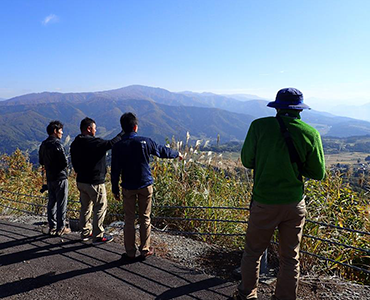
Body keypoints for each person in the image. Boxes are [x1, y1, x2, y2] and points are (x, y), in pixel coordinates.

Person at [234, 88, 325, 300]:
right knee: (290, 258)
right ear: (299, 109)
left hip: (264, 202)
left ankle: (247, 294)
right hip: (293, 204)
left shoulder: (259, 126)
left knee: (253, 252)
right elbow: (318, 173)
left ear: (277, 106)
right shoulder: (311, 133)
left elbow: (247, 161)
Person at [111, 112, 182, 260]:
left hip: (128, 187)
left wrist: (115, 189)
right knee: (145, 217)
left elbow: (115, 170)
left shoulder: (118, 146)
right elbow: (162, 151)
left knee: (129, 219)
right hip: (145, 184)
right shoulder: (145, 141)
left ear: (123, 128)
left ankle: (130, 252)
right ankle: (145, 249)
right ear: (135, 127)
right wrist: (177, 154)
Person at [70, 117, 124, 245]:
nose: (96, 130)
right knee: (100, 207)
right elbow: (111, 144)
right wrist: (123, 133)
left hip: (81, 181)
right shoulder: (92, 142)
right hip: (94, 182)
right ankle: (98, 236)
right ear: (89, 129)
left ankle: (85, 233)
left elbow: (73, 162)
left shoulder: (76, 142)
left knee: (85, 208)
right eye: (94, 128)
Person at [39, 120, 70, 236]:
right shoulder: (58, 144)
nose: (62, 133)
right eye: (61, 130)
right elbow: (64, 162)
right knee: (62, 203)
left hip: (50, 177)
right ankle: (61, 228)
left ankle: (52, 226)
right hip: (60, 177)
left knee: (51, 202)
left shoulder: (43, 144)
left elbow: (41, 161)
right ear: (55, 131)